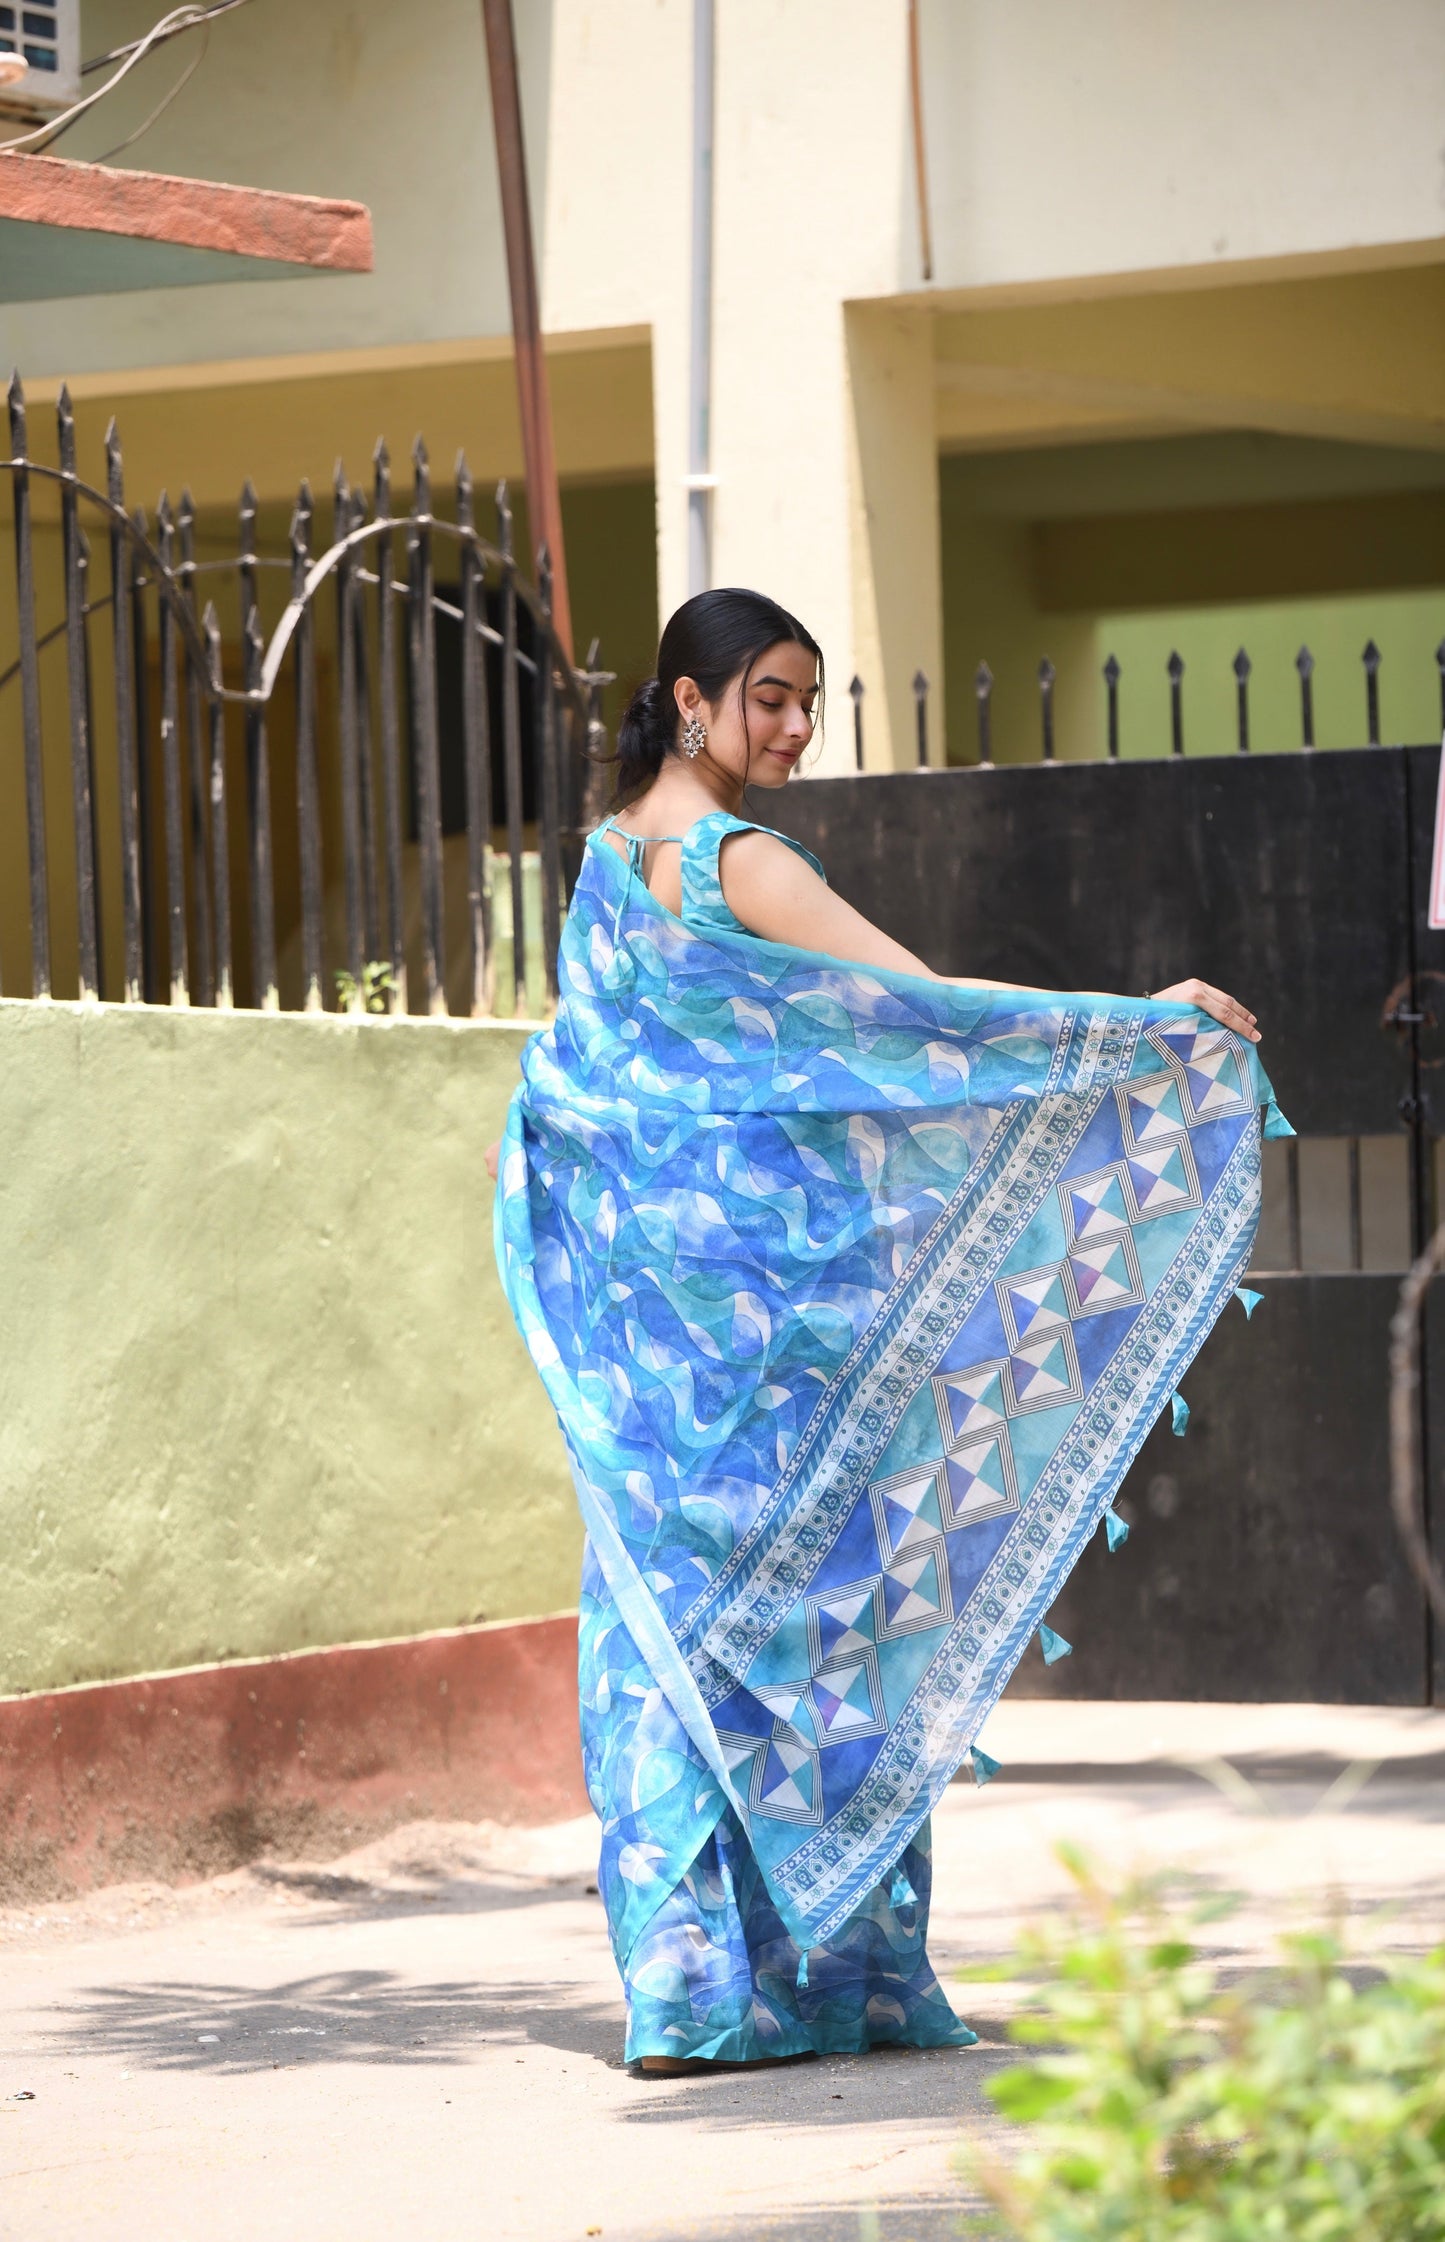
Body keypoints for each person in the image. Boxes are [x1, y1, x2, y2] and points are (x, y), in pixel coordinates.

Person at [489, 588, 1283, 2075]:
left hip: (658, 1347)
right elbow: (937, 1018)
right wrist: (1138, 1020)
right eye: (769, 697)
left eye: (806, 699)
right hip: (780, 1349)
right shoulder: (742, 864)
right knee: (819, 1623)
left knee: (669, 1636)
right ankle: (824, 1976)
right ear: (686, 700)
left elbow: (588, 1091)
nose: (792, 726)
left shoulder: (602, 872)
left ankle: (695, 1992)